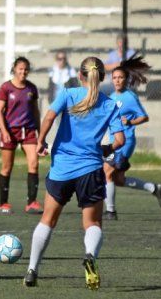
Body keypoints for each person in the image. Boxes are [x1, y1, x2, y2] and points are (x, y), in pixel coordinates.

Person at [24, 57, 125, 290]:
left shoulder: (69, 95)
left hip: (61, 169)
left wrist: (40, 142)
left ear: (80, 76)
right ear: (102, 78)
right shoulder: (110, 104)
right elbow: (120, 139)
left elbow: (49, 117)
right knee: (92, 223)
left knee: (48, 220)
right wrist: (107, 148)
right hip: (90, 170)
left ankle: (32, 269)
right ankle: (90, 256)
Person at [103, 54, 161, 220]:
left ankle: (110, 211)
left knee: (107, 172)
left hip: (125, 142)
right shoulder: (111, 97)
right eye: (114, 77)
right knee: (118, 180)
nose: (117, 80)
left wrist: (130, 121)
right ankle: (154, 188)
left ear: (126, 79)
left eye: (120, 77)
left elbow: (144, 117)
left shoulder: (129, 97)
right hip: (114, 141)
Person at [0, 57, 42, 215]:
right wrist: (4, 131)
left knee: (34, 163)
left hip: (28, 130)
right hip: (10, 130)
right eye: (20, 68)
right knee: (7, 167)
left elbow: (36, 111)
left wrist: (40, 133)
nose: (23, 72)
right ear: (14, 69)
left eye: (26, 69)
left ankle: (32, 203)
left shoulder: (32, 89)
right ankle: (3, 203)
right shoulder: (6, 87)